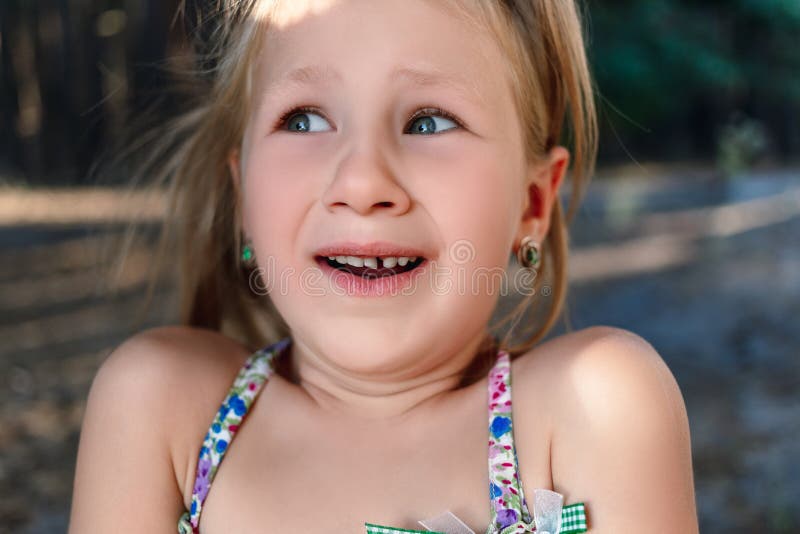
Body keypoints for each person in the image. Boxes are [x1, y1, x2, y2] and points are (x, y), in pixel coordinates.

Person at [68, 0, 699, 532]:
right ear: (244, 199)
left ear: (532, 204)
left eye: (429, 121)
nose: (363, 181)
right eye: (305, 119)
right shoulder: (164, 413)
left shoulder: (586, 411)